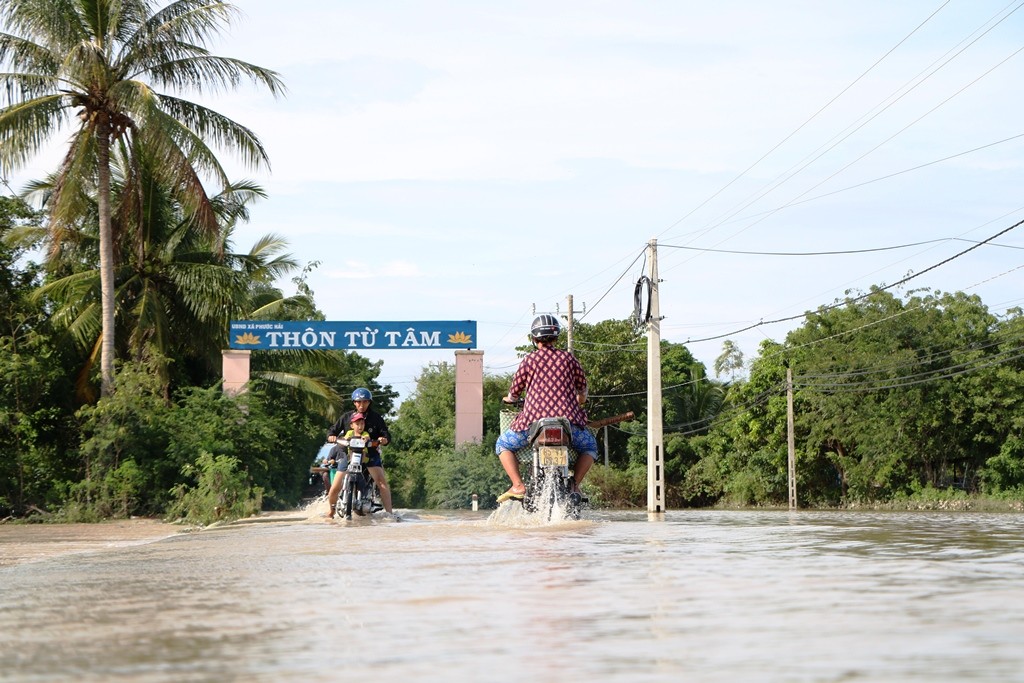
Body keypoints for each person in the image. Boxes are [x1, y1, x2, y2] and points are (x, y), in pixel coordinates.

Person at [495, 314, 598, 503]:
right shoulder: (568, 359)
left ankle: (518, 486)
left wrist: (510, 399)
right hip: (568, 424)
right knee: (590, 446)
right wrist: (580, 398)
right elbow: (582, 388)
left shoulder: (529, 360)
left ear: (534, 339)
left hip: (533, 423)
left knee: (502, 444)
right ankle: (574, 485)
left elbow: (514, 393)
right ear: (556, 337)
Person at [326, 388, 399, 520]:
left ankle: (390, 514)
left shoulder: (376, 418)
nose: (361, 405)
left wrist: (384, 439)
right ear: (354, 402)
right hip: (348, 455)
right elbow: (333, 430)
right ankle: (330, 513)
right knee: (335, 486)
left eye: (365, 402)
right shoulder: (346, 417)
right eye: (359, 402)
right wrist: (331, 436)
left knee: (382, 482)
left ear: (369, 402)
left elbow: (385, 434)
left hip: (369, 454)